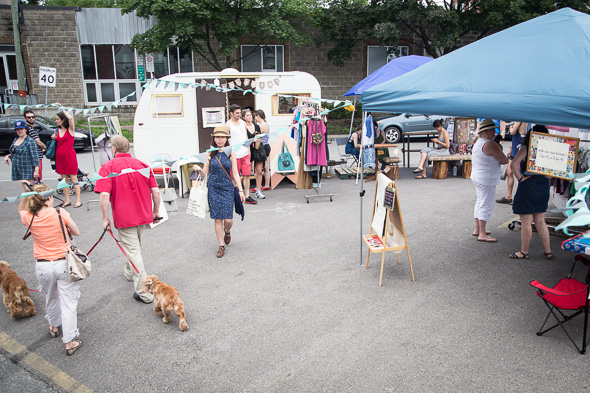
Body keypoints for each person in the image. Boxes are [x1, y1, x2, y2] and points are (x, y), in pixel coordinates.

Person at [94, 136, 161, 303]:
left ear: (114, 150)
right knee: (134, 246)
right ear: (128, 149)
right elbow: (156, 192)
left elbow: (104, 195)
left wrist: (105, 218)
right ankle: (129, 272)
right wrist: (156, 211)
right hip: (143, 214)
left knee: (133, 250)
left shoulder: (108, 167)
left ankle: (143, 291)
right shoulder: (143, 165)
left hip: (125, 217)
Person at [18, 183, 83, 356]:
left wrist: (26, 193)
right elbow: (76, 232)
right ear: (49, 197)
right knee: (68, 303)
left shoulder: (28, 217)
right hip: (63, 263)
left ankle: (54, 326)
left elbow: (21, 207)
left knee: (51, 296)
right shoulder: (60, 213)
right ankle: (69, 341)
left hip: (42, 264)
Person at [195, 126, 245, 258]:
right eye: (217, 137)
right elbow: (205, 173)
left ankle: (227, 231)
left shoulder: (231, 153)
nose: (220, 139)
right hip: (213, 188)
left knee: (228, 219)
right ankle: (221, 246)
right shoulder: (209, 153)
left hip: (227, 188)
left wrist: (240, 190)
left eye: (223, 137)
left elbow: (235, 172)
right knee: (217, 219)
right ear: (214, 138)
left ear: (227, 139)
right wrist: (199, 169)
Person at [509, 125, 552, 259]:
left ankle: (524, 251)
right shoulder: (550, 151)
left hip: (528, 185)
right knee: (540, 221)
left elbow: (513, 164)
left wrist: (521, 178)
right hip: (543, 185)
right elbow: (551, 175)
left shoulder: (527, 148)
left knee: (526, 221)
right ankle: (548, 251)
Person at [470, 119, 509, 242]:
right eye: (491, 130)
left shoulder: (479, 142)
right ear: (485, 131)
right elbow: (504, 160)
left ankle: (478, 229)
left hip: (478, 176)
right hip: (486, 178)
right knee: (486, 204)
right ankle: (482, 233)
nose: (494, 132)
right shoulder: (490, 144)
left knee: (480, 202)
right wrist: (499, 147)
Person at [227, 104, 257, 204]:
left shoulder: (243, 123)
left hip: (245, 153)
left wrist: (248, 151)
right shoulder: (228, 125)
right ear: (231, 113)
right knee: (234, 176)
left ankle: (247, 195)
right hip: (234, 154)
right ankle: (234, 195)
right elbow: (226, 141)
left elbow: (246, 138)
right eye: (237, 113)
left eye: (240, 112)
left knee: (247, 175)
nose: (239, 114)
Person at [52, 109, 81, 208]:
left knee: (73, 178)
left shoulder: (70, 130)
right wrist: (54, 138)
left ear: (63, 120)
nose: (56, 121)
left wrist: (62, 109)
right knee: (64, 180)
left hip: (69, 156)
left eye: (57, 119)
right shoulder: (57, 130)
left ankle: (78, 200)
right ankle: (67, 199)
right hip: (59, 157)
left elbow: (70, 118)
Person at [496, 121, 529, 204]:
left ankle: (511, 196)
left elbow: (513, 132)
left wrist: (511, 128)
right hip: (516, 147)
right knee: (510, 171)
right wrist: (511, 148)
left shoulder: (519, 119)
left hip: (518, 149)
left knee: (512, 171)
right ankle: (509, 195)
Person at [3, 120, 40, 191]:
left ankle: (30, 202)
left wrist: (36, 170)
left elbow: (35, 157)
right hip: (19, 168)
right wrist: (8, 156)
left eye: (21, 129)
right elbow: (15, 152)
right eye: (17, 129)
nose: (20, 131)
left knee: (29, 190)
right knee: (26, 189)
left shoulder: (30, 141)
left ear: (26, 129)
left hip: (28, 168)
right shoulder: (16, 139)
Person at [244, 109, 266, 199]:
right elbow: (244, 141)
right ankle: (244, 192)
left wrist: (258, 138)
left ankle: (258, 190)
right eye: (247, 115)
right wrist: (252, 140)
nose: (250, 117)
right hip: (247, 150)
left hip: (257, 149)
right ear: (243, 117)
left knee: (259, 171)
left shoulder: (257, 126)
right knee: (246, 173)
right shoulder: (243, 127)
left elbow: (261, 136)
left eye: (250, 115)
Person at [24, 109, 46, 181]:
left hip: (37, 154)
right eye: (29, 117)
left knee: (35, 177)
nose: (31, 119)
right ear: (25, 118)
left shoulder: (32, 128)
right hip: (35, 156)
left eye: (33, 117)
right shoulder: (29, 129)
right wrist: (46, 148)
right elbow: (38, 142)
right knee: (36, 177)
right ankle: (35, 191)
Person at [254, 109, 271, 192]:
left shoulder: (261, 125)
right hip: (267, 145)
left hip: (262, 146)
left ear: (258, 116)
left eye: (255, 116)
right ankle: (267, 184)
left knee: (260, 167)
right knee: (266, 166)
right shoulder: (266, 124)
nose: (254, 118)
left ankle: (259, 185)